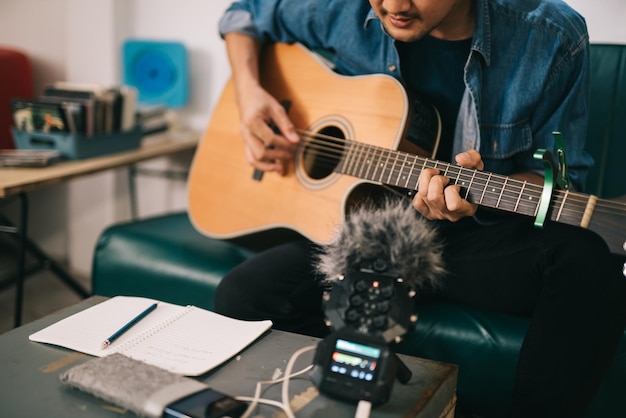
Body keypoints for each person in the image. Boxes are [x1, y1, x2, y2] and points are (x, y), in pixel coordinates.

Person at [214, 1, 626, 416]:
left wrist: (475, 195)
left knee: (586, 260)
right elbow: (244, 14)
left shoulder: (550, 34)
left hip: (474, 235)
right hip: (362, 229)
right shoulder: (342, 9)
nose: (393, 5)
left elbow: (560, 179)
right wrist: (250, 92)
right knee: (244, 294)